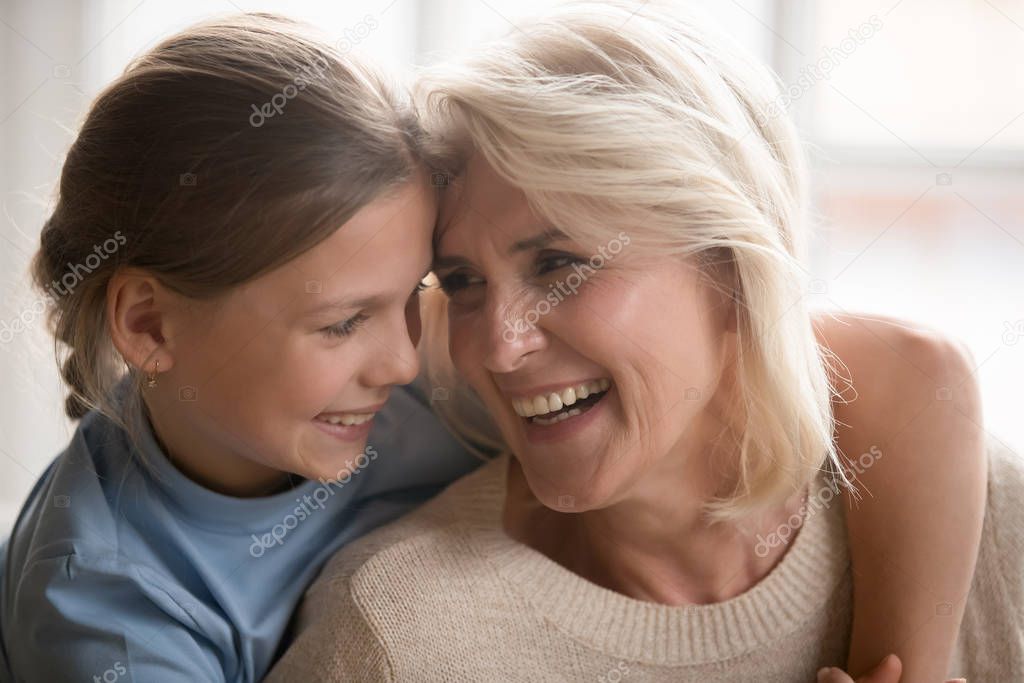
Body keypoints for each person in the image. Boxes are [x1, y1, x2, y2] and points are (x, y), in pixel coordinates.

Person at [267, 2, 1008, 681]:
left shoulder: (986, 520)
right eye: (463, 282)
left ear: (729, 265)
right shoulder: (395, 639)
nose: (499, 347)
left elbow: (919, 364)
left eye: (559, 264)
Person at [0, 15, 483, 681]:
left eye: (414, 292)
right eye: (343, 323)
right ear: (149, 327)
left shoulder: (452, 363)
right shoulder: (115, 621)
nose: (403, 362)